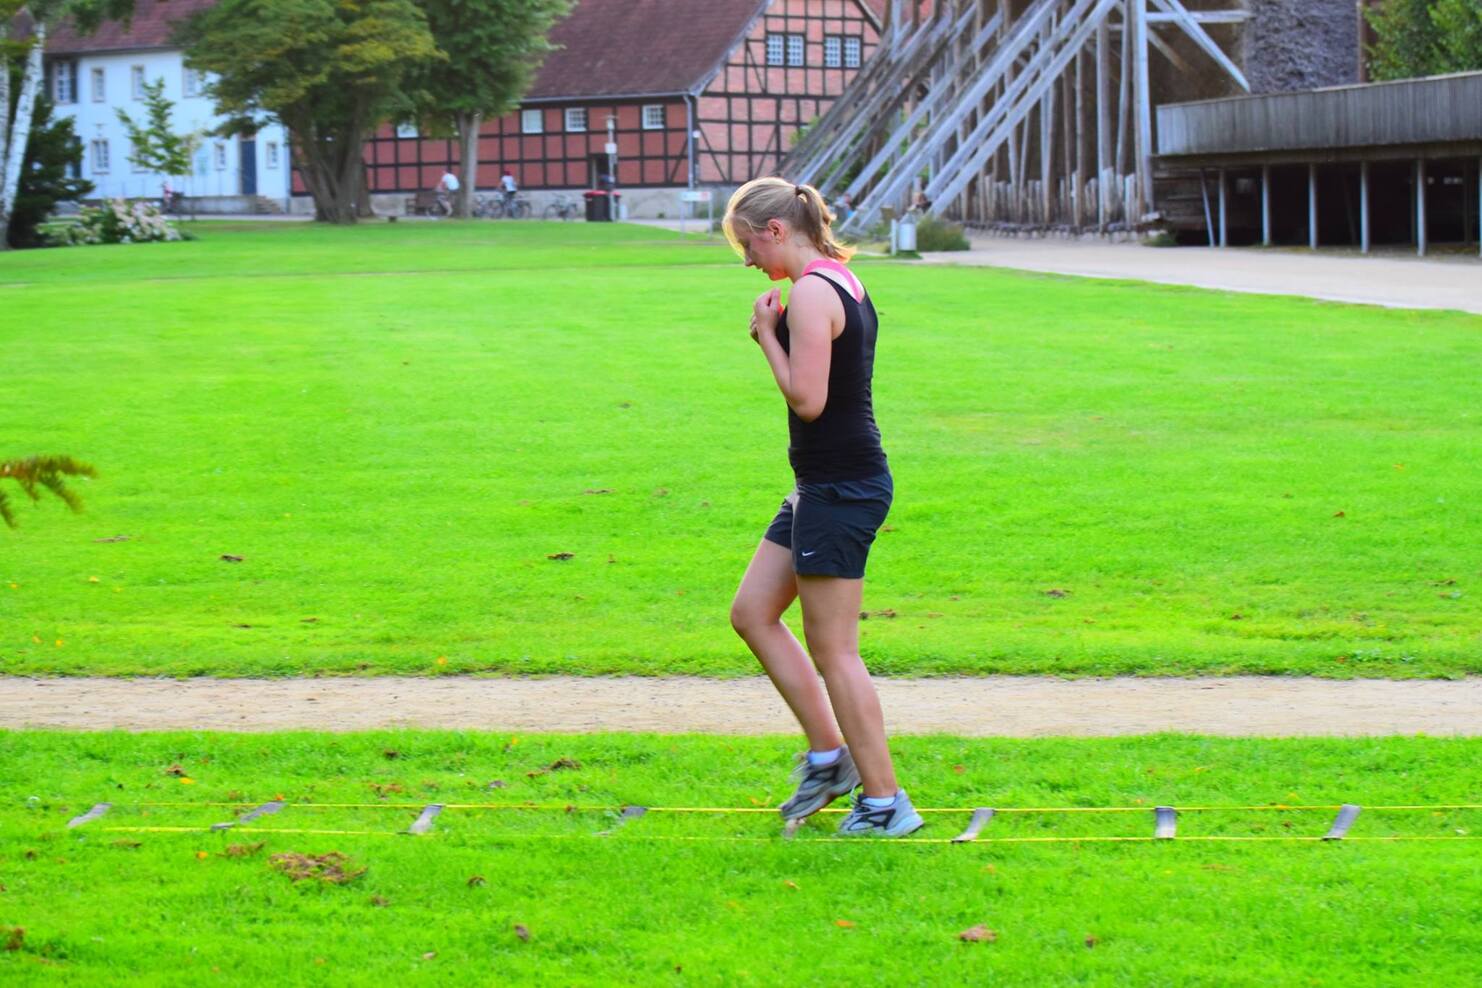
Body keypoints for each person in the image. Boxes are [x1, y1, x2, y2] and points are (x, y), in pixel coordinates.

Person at [723, 176, 923, 838]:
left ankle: (885, 803)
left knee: (835, 649)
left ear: (776, 231)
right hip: (822, 483)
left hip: (842, 487)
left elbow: (808, 400)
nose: (749, 260)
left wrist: (765, 339)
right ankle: (829, 757)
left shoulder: (812, 290)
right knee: (752, 613)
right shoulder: (839, 279)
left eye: (749, 245)